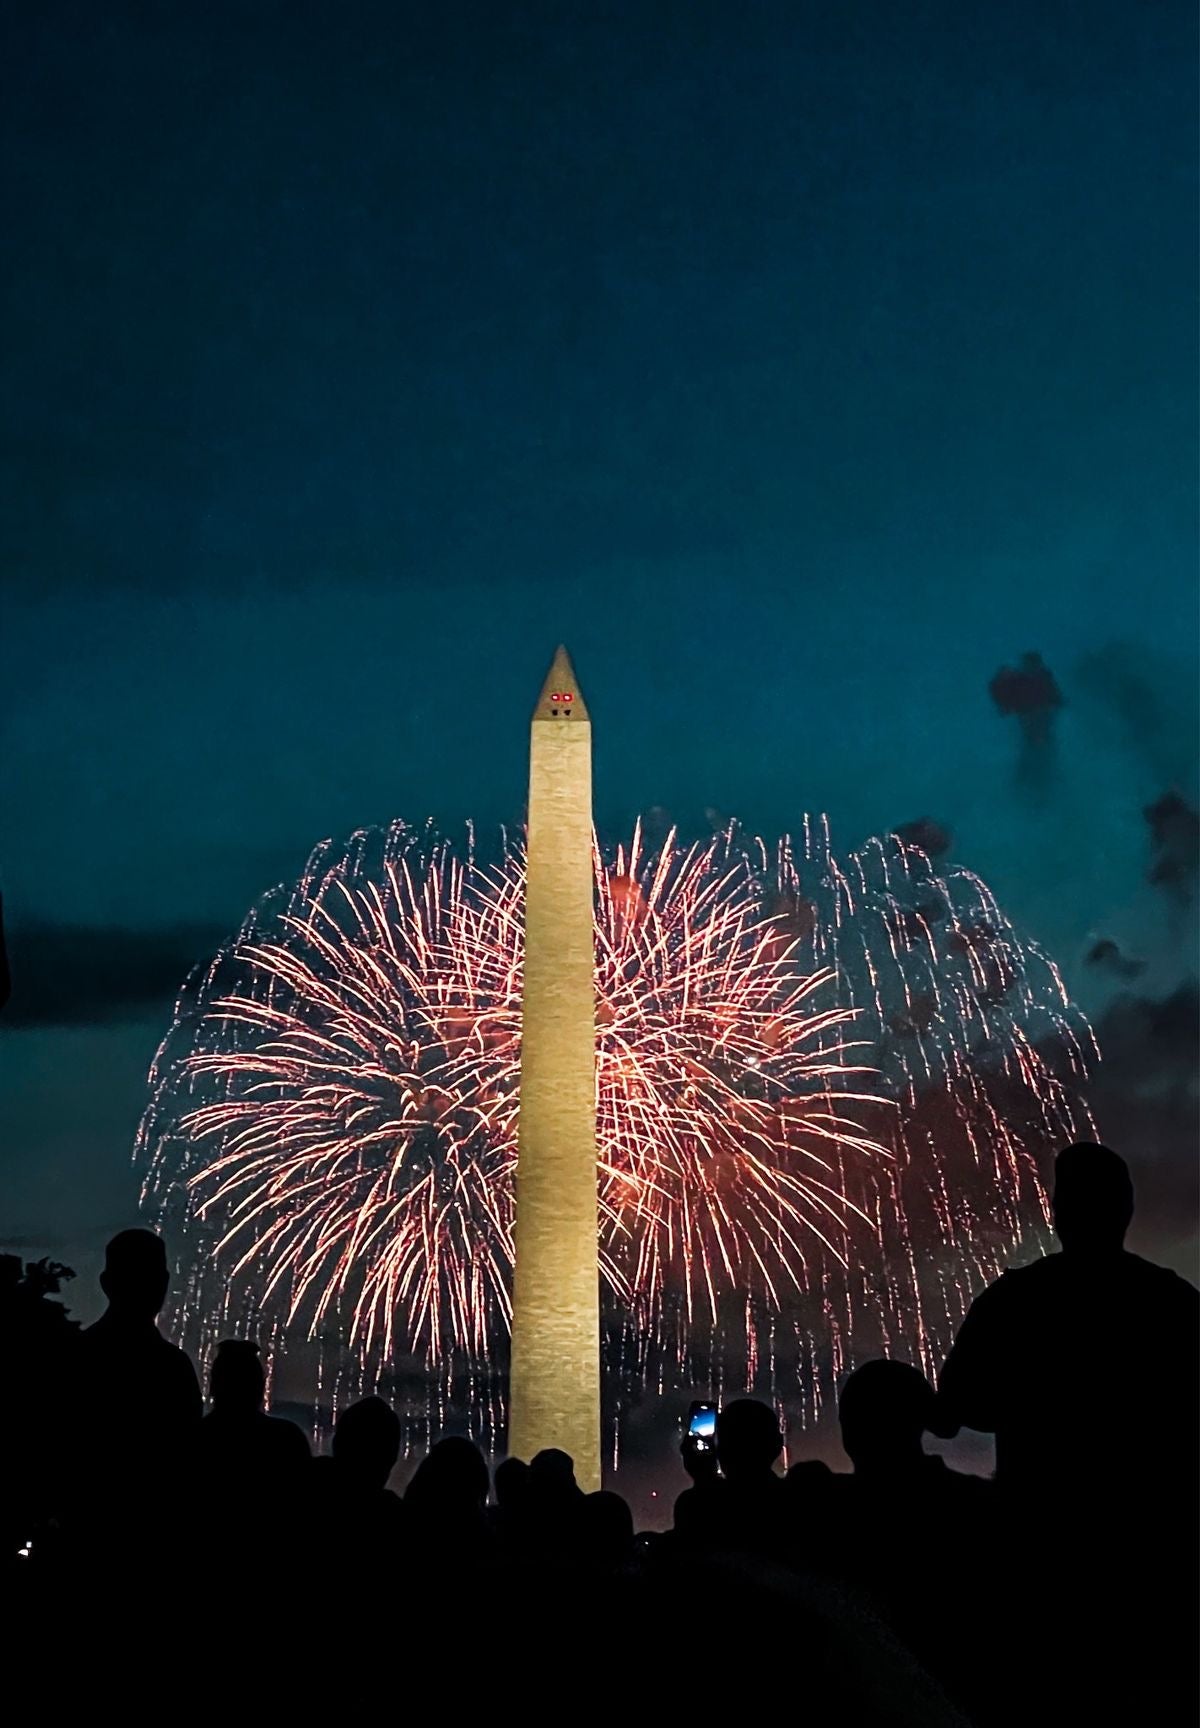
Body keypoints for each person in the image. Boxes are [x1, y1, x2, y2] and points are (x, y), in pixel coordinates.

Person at [938, 1143, 1199, 1501]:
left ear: (1059, 1212)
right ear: (1126, 1211)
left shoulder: (1012, 1299)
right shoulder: (1173, 1301)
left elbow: (956, 1406)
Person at [67, 1229, 201, 1564]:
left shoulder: (76, 1357)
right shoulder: (172, 1367)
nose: (154, 1285)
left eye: (155, 1275)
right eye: (145, 1274)